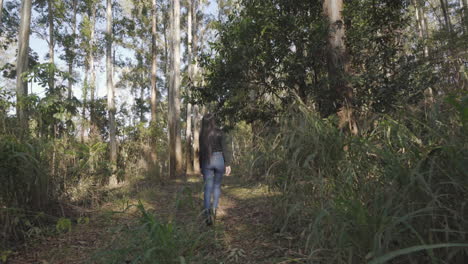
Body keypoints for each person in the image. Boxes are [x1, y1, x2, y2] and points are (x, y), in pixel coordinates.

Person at [199, 113, 232, 226]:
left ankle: (207, 214)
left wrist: (200, 167)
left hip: (207, 161)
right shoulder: (219, 132)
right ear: (213, 121)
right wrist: (227, 164)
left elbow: (201, 152)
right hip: (219, 160)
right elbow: (225, 148)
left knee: (207, 189)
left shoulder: (202, 135)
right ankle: (214, 210)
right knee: (217, 186)